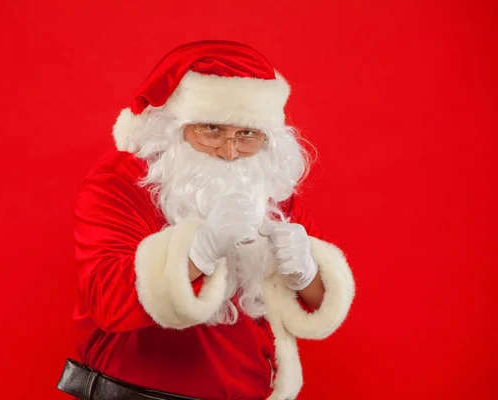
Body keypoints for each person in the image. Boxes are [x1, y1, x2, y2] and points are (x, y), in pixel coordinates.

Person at [59, 40, 355, 400]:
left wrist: (307, 274)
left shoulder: (265, 183)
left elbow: (317, 300)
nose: (230, 153)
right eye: (212, 129)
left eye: (247, 134)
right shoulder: (123, 179)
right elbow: (106, 300)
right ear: (174, 125)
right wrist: (198, 254)